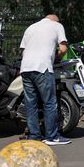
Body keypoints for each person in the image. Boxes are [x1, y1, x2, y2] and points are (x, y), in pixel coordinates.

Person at [19, 14, 70, 145]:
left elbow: (23, 51)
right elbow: (63, 48)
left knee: (31, 104)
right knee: (49, 103)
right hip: (42, 67)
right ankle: (52, 136)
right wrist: (57, 58)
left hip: (25, 68)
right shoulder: (57, 26)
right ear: (55, 20)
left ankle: (34, 135)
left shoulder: (30, 28)